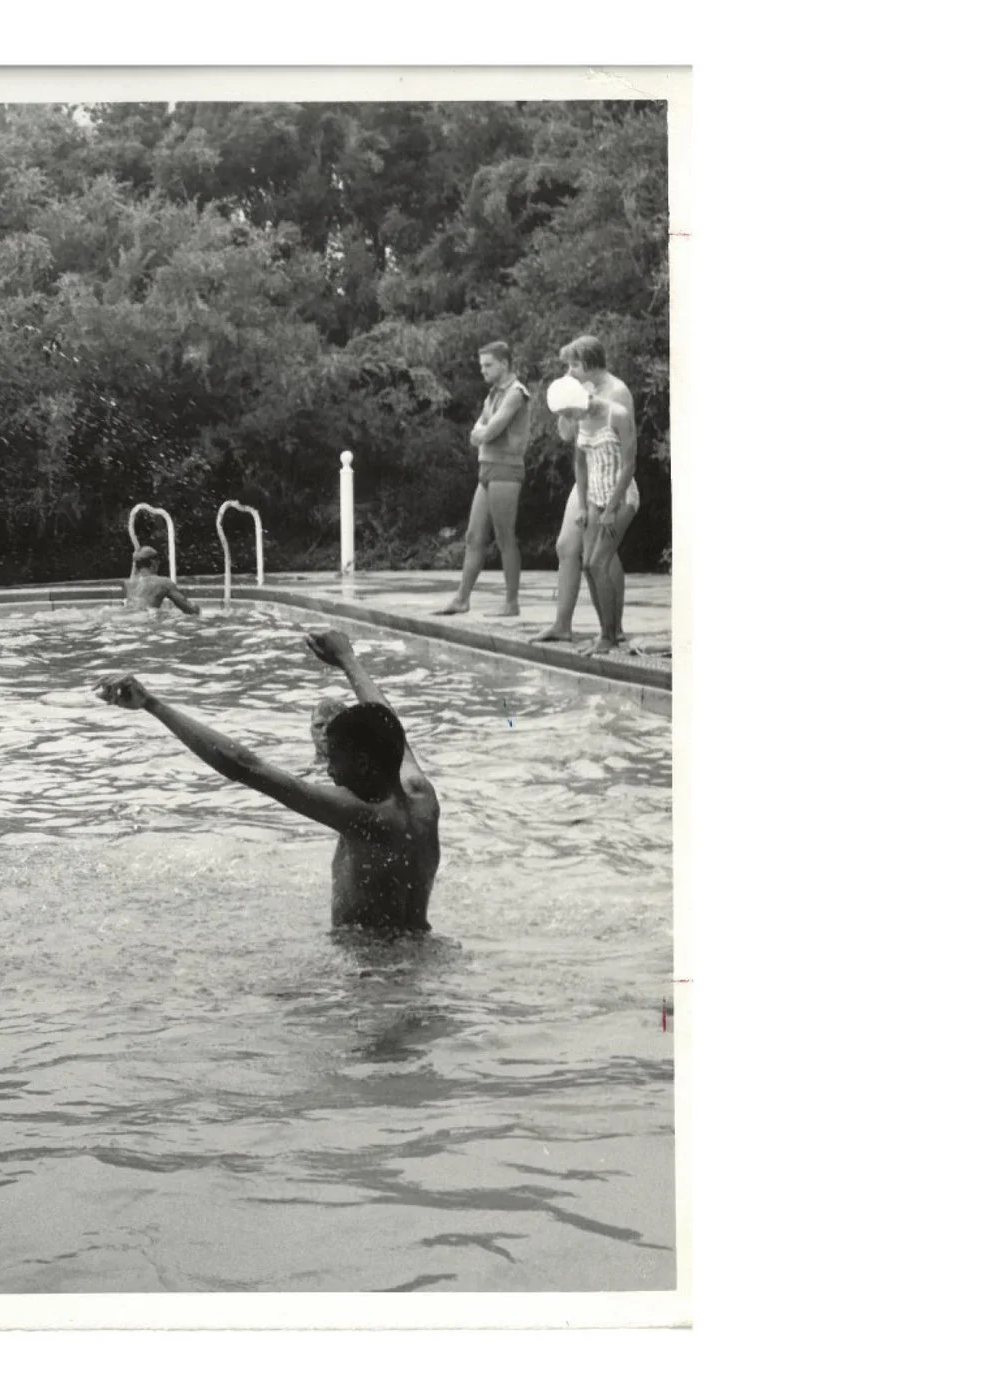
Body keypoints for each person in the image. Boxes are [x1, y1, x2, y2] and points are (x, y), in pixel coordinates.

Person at [95, 627, 440, 933]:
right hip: (420, 952)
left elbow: (245, 766)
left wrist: (152, 704)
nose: (331, 772)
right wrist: (347, 660)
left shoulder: (360, 814)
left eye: (335, 762)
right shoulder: (421, 795)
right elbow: (393, 728)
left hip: (374, 977)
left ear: (364, 764)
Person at [531, 334, 637, 648]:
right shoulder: (579, 390)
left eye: (572, 365)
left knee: (601, 557)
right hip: (588, 481)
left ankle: (612, 630)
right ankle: (564, 624)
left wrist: (612, 504)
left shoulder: (617, 392)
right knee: (568, 547)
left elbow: (622, 447)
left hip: (611, 481)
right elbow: (569, 437)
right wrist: (567, 402)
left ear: (586, 363)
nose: (568, 370)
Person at [434, 341, 536, 618]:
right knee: (473, 536)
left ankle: (511, 603)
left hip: (506, 469)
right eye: (482, 366)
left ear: (504, 364)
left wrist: (483, 432)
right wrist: (482, 432)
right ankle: (461, 599)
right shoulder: (492, 394)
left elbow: (489, 431)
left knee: (504, 537)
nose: (483, 371)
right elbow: (476, 431)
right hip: (487, 469)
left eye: (488, 365)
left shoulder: (516, 393)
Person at [124, 544, 201, 615]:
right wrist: (197, 608)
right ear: (153, 562)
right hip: (147, 620)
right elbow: (190, 610)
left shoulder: (129, 584)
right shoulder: (164, 582)